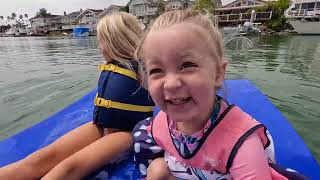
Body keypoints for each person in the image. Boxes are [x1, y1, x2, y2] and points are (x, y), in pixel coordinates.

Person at [133, 10, 308, 179]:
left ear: (218, 74)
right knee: (156, 170)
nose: (170, 84)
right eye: (156, 70)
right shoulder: (159, 125)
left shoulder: (242, 145)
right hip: (189, 169)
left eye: (187, 65)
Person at [0, 12, 154, 180]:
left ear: (114, 42)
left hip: (126, 133)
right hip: (103, 126)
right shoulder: (112, 64)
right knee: (42, 158)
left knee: (69, 168)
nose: (99, 47)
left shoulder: (144, 68)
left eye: (101, 41)